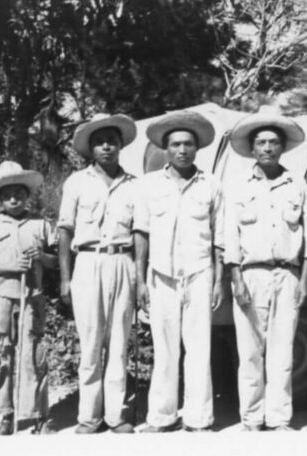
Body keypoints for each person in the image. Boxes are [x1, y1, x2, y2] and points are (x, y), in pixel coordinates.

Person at [224, 109, 307, 431]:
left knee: (283, 353)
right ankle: (251, 418)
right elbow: (229, 238)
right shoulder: (237, 186)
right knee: (249, 353)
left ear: (283, 148)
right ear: (252, 149)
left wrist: (305, 279)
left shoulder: (298, 185)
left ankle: (279, 418)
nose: (267, 148)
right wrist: (235, 279)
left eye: (274, 142)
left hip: (288, 276)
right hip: (251, 276)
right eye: (261, 142)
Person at [134, 110, 224, 432]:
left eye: (188, 144)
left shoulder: (211, 185)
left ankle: (198, 419)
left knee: (199, 349)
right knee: (165, 349)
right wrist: (140, 280)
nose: (182, 150)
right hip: (160, 277)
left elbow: (219, 237)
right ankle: (162, 416)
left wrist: (218, 281)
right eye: (175, 145)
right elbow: (141, 234)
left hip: (200, 274)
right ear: (166, 149)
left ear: (197, 148)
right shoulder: (148, 185)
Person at [57, 113, 138, 434]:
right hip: (87, 264)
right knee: (90, 342)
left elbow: (142, 233)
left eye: (112, 141)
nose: (106, 147)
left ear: (120, 146)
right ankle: (89, 416)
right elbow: (65, 231)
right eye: (99, 142)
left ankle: (117, 416)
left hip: (123, 262)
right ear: (90, 148)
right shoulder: (76, 182)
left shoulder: (134, 185)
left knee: (118, 341)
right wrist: (64, 277)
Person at [0, 161, 57, 435]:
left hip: (31, 296)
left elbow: (55, 261)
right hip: (0, 298)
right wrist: (10, 267)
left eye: (19, 193)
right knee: (2, 353)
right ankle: (6, 414)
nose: (14, 199)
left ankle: (39, 415)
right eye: (7, 194)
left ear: (27, 194)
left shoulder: (41, 224)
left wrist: (40, 256)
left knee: (34, 354)